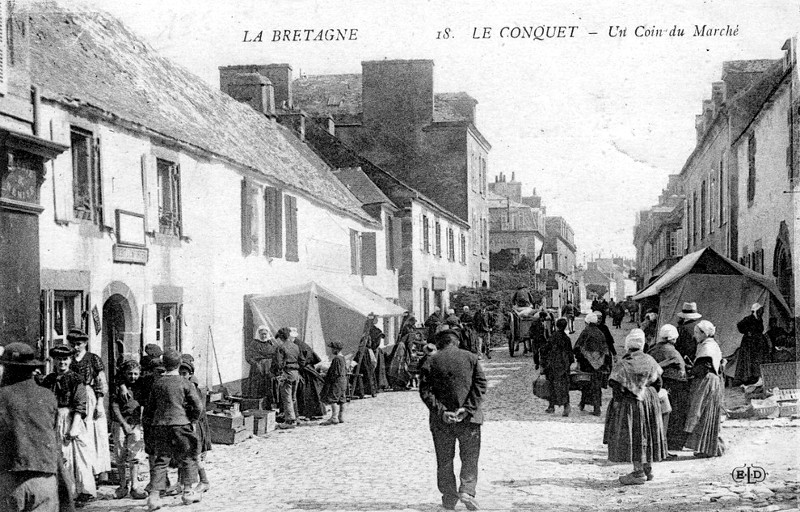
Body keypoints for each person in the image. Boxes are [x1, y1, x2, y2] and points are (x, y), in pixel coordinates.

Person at [419, 330, 487, 511]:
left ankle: (449, 498)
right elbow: (481, 385)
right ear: (457, 342)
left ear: (439, 344)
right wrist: (468, 409)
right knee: (470, 457)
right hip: (469, 420)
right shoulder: (471, 358)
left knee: (444, 460)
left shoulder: (431, 361)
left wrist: (442, 412)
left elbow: (425, 392)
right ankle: (467, 490)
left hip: (442, 422)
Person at [0, 342, 61, 512]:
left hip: (9, 479)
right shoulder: (48, 396)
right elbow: (55, 440)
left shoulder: (2, 396)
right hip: (45, 477)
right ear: (32, 369)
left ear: (7, 369)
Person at [604, 329, 668, 485]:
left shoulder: (623, 364)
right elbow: (659, 382)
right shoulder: (651, 360)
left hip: (631, 403)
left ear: (627, 345)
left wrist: (618, 406)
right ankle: (648, 469)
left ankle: (638, 472)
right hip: (650, 399)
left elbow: (615, 385)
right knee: (648, 432)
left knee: (636, 433)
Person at [145, 350, 203, 510]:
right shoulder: (185, 383)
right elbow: (198, 405)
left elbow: (149, 408)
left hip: (160, 425)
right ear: (179, 364)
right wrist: (192, 419)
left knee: (161, 459)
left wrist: (151, 426)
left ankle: (154, 496)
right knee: (188, 456)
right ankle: (188, 492)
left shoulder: (157, 383)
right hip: (181, 424)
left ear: (163, 364)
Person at [66, 329, 111, 500]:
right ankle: (78, 476)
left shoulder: (93, 359)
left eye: (79, 344)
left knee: (93, 434)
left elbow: (101, 382)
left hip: (89, 395)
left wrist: (100, 403)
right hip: (73, 397)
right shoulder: (68, 359)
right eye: (73, 344)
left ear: (85, 343)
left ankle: (94, 472)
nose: (76, 347)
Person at [683, 320, 725, 458]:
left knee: (702, 412)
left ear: (704, 333)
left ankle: (707, 449)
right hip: (710, 381)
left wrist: (690, 371)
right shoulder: (708, 345)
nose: (695, 336)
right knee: (706, 413)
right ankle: (709, 447)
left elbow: (703, 367)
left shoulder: (707, 347)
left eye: (697, 333)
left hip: (707, 382)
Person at [109, 359, 148, 500]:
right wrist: (123, 423)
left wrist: (140, 421)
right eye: (130, 374)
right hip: (119, 423)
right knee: (120, 455)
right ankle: (122, 486)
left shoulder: (141, 386)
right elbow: (114, 407)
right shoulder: (119, 387)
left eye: (135, 374)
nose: (133, 377)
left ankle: (135, 486)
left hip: (135, 424)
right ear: (124, 373)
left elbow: (144, 404)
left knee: (135, 455)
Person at [647, 324, 688, 454]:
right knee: (674, 415)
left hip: (655, 387)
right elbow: (682, 373)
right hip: (674, 388)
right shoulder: (674, 352)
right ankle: (670, 443)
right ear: (674, 339)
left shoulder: (652, 350)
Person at [178, 359, 211, 494]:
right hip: (184, 424)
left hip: (194, 424)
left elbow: (199, 409)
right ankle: (180, 483)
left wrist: (192, 422)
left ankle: (204, 481)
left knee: (194, 454)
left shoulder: (193, 389)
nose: (182, 376)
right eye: (179, 373)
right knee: (182, 453)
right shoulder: (181, 387)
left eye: (184, 373)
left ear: (190, 374)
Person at [573, 313, 610, 416]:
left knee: (585, 384)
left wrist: (579, 359)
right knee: (596, 386)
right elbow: (605, 350)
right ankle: (596, 408)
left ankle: (583, 404)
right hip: (599, 364)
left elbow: (577, 347)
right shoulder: (600, 333)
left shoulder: (586, 332)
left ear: (587, 322)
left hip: (587, 364)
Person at [288, 328, 326, 419]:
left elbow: (303, 360)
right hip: (306, 369)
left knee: (306, 392)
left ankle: (308, 413)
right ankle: (311, 412)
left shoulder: (298, 345)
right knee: (309, 392)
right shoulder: (298, 343)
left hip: (305, 371)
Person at [541, 318, 574, 416]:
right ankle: (566, 406)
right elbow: (570, 354)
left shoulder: (552, 337)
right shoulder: (567, 339)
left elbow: (545, 349)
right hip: (563, 366)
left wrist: (542, 363)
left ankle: (551, 406)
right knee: (564, 386)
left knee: (551, 385)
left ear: (556, 325)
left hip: (552, 365)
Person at [273, 328, 305, 429]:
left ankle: (290, 421)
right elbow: (302, 361)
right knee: (293, 397)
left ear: (281, 337)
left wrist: (278, 373)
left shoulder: (281, 347)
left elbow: (278, 363)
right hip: (296, 373)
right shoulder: (296, 346)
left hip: (286, 373)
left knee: (287, 398)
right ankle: (297, 417)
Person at [735, 303, 771, 385]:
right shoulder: (748, 319)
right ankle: (750, 377)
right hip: (750, 343)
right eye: (760, 311)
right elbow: (739, 326)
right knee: (750, 359)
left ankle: (757, 376)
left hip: (758, 342)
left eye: (762, 311)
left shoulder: (759, 319)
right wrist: (747, 332)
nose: (762, 312)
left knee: (758, 359)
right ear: (755, 311)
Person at [244, 325, 278, 408]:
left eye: (265, 334)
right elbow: (248, 357)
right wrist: (255, 364)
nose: (264, 336)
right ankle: (256, 406)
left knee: (269, 386)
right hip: (257, 369)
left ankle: (268, 405)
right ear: (259, 334)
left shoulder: (271, 343)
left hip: (268, 368)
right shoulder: (254, 344)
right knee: (257, 387)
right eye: (262, 334)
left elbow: (275, 356)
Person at [320, 341, 348, 426]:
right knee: (342, 399)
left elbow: (335, 372)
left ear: (336, 349)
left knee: (333, 399)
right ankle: (341, 417)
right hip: (343, 380)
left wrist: (326, 375)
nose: (331, 350)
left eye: (332, 348)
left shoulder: (336, 359)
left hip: (337, 381)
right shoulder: (343, 358)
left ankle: (334, 417)